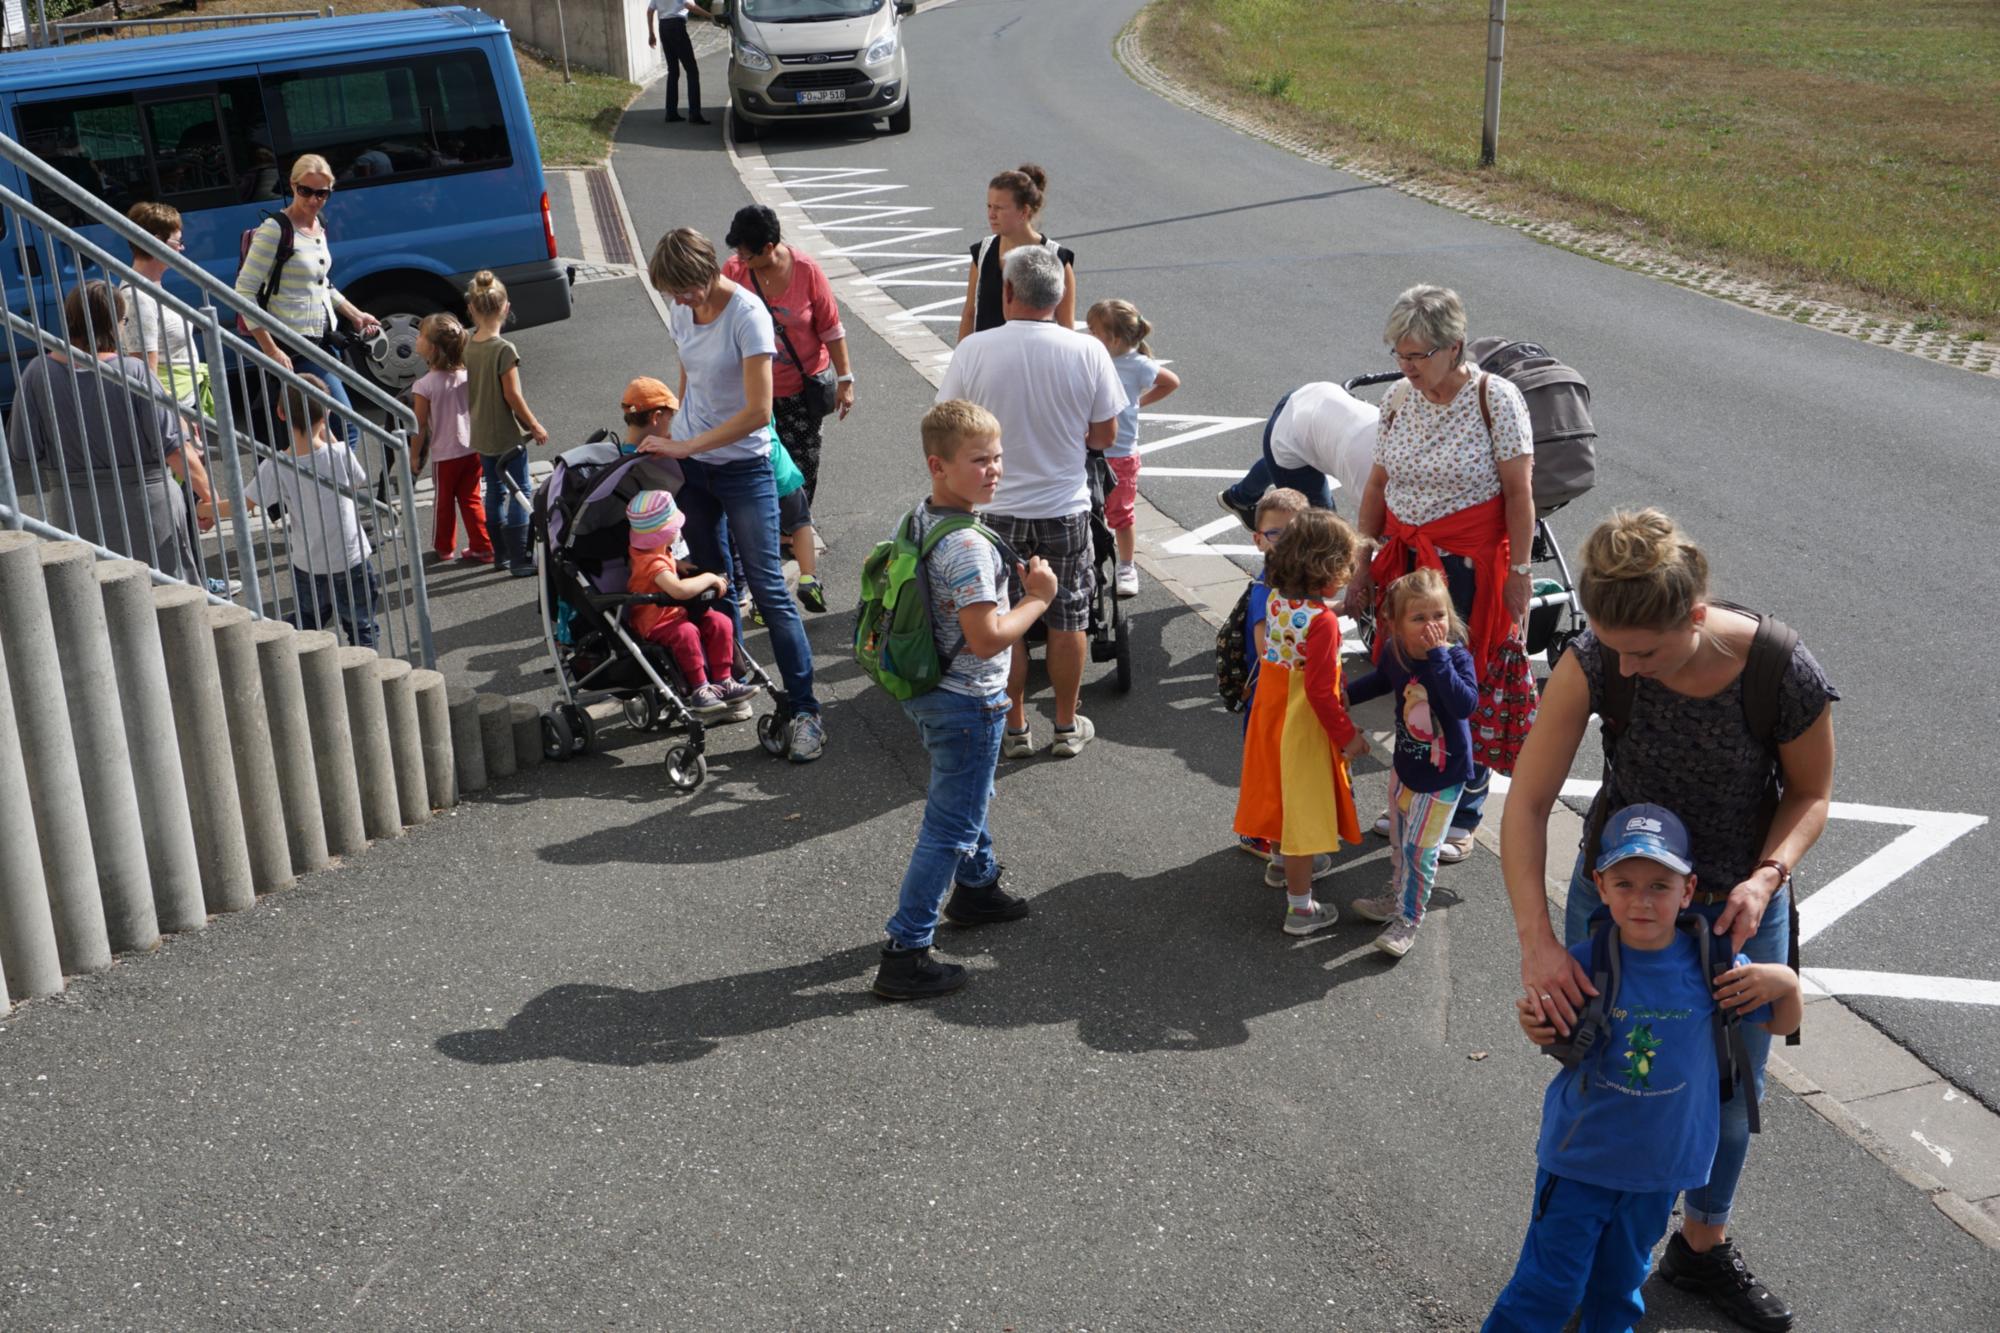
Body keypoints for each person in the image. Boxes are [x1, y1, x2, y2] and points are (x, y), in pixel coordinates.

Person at [1499, 508, 1836, 1333]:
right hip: (1619, 894)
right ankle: (1584, 1240)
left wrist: (1767, 878)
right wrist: (1539, 944)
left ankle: (1699, 1243)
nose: (1627, 666)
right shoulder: (1597, 661)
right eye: (1613, 646)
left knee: (1726, 1090)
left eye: (1643, 651)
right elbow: (1529, 800)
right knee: (1604, 1063)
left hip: (1736, 905)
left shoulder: (1776, 667)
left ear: (1694, 615)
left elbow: (1811, 793)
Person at [1487, 804, 1803, 1333]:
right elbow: (1548, 1030)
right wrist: (1536, 1025)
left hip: (1658, 1173)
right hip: (1579, 1161)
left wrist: (1789, 984)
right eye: (1625, 882)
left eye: (1660, 884)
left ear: (1688, 890)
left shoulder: (1713, 966)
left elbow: (1777, 1025)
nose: (1642, 899)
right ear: (1600, 886)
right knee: (1547, 1290)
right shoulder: (1585, 962)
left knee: (1618, 1290)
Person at [870, 400, 1059, 1002]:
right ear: (938, 465)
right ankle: (906, 951)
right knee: (950, 823)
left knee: (966, 794)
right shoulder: (970, 549)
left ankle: (976, 890)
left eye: (998, 457)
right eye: (979, 461)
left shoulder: (923, 518)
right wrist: (1038, 599)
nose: (995, 470)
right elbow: (986, 639)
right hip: (968, 700)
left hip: (928, 690)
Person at [1344, 284, 1536, 866]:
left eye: (1416, 356)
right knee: (1407, 678)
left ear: (1453, 348)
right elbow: (1377, 486)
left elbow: (1519, 491)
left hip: (1468, 570)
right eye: (1399, 355)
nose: (1404, 367)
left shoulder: (1494, 399)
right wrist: (1362, 562)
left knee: (1461, 686)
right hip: (1405, 564)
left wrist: (1521, 572)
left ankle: (1465, 809)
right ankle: (1416, 792)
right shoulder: (1399, 398)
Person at [642, 227, 825, 762]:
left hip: (744, 466)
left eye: (683, 290)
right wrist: (676, 433)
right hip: (694, 467)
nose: (678, 301)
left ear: (706, 274)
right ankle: (726, 680)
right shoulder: (683, 309)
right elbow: (688, 372)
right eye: (670, 293)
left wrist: (690, 444)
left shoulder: (747, 314)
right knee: (711, 580)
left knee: (768, 587)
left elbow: (758, 411)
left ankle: (807, 709)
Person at [936, 244, 1124, 760]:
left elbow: (946, 425)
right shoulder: (1086, 351)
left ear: (1009, 291)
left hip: (995, 508)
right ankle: (1066, 724)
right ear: (1058, 295)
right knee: (1068, 618)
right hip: (1064, 504)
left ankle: (1014, 727)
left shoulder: (974, 349)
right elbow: (1104, 435)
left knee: (1007, 619)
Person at [7, 281, 202, 583]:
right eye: (124, 322)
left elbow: (22, 451)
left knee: (94, 603)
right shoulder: (135, 373)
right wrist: (212, 502)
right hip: (148, 507)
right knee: (166, 598)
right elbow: (174, 448)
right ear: (114, 324)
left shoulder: (36, 372)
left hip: (75, 510)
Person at [1232, 509, 1368, 936]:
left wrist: (1339, 608)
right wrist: (1350, 737)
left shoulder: (1276, 599)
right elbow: (1320, 692)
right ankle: (1301, 909)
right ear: (1326, 568)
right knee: (1303, 815)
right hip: (1304, 725)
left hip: (1272, 712)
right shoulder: (1323, 624)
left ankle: (1278, 864)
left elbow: (1299, 628)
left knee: (1278, 791)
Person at [1343, 567, 1479, 958]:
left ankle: (1409, 919)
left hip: (1445, 776)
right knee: (1401, 842)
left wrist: (1438, 658)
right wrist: (1346, 696)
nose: (1431, 626)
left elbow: (1463, 704)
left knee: (1421, 851)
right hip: (1406, 767)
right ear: (1396, 625)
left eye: (1439, 616)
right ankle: (1398, 896)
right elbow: (1382, 680)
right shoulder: (1396, 652)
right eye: (1419, 618)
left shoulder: (1455, 658)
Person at [233, 153, 382, 451]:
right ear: (292, 186)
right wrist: (271, 349)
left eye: (322, 193)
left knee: (317, 433)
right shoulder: (276, 229)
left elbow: (321, 283)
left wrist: (355, 314)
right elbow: (243, 292)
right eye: (306, 191)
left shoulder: (319, 225)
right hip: (292, 346)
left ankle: (323, 493)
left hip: (321, 340)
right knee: (347, 426)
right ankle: (343, 495)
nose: (314, 200)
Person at [721, 205, 855, 504]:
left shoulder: (806, 270)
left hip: (801, 389)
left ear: (769, 247)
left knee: (801, 465)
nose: (741, 259)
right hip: (754, 389)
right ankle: (769, 524)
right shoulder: (733, 271)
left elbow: (831, 328)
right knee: (757, 462)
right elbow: (722, 324)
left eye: (747, 254)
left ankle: (794, 530)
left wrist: (845, 379)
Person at [1229, 488, 1321, 883]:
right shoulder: (1267, 589)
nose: (1285, 542)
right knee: (1280, 777)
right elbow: (1268, 648)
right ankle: (1281, 852)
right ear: (1258, 538)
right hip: (1275, 700)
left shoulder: (1297, 583)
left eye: (1295, 533)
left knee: (1278, 777)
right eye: (1275, 534)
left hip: (1283, 698)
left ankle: (1280, 849)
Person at [247, 376, 378, 648]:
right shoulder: (340, 453)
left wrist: (206, 509)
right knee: (361, 625)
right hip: (351, 557)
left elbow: (245, 502)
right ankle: (367, 679)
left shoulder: (276, 465)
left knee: (309, 621)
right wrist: (325, 428)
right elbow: (357, 480)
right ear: (328, 412)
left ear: (280, 413)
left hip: (309, 563)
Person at [624, 489, 759, 721]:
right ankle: (700, 688)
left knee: (719, 621)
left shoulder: (651, 551)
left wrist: (676, 564)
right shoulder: (654, 563)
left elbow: (660, 565)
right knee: (687, 633)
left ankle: (724, 680)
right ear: (663, 533)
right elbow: (679, 590)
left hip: (674, 614)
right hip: (656, 621)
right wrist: (710, 579)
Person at [1086, 298, 1180, 598]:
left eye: (1093, 330)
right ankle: (1088, 562)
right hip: (1089, 450)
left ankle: (1126, 566)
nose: (1089, 335)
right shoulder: (1091, 358)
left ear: (1112, 339)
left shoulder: (1137, 365)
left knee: (1121, 514)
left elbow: (1170, 382)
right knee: (1086, 511)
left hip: (1121, 455)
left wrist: (1139, 402)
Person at [462, 270, 550, 578]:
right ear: (506, 308)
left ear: (471, 308)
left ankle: (499, 554)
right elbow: (512, 395)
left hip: (481, 431)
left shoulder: (470, 344)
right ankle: (518, 558)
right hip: (506, 433)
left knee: (494, 491)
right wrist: (534, 425)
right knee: (520, 489)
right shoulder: (504, 349)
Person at [1215, 379, 1378, 522]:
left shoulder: (1391, 434)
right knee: (1325, 527)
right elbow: (1372, 529)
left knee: (1282, 456)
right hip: (1292, 434)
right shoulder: (1364, 474)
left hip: (1313, 395)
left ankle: (1239, 497)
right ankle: (1240, 498)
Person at [956, 164, 1076, 339]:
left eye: (999, 208)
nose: (991, 214)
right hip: (988, 362)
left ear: (1024, 211)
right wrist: (961, 360)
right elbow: (969, 313)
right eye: (989, 206)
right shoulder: (983, 252)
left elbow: (1067, 329)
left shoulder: (1057, 258)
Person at [410, 313, 492, 565]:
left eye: (421, 334)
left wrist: (414, 455)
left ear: (432, 348)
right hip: (473, 448)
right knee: (471, 498)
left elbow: (420, 425)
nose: (417, 337)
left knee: (443, 502)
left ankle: (444, 546)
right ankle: (484, 546)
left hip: (445, 454)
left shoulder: (424, 385)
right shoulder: (468, 376)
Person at [646, 0, 714, 123]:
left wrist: (651, 33)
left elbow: (650, 10)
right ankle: (695, 114)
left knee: (673, 71)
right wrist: (711, 16)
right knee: (692, 70)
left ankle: (671, 112)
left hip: (663, 26)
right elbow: (689, 5)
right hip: (676, 26)